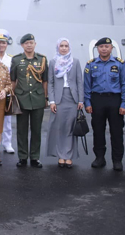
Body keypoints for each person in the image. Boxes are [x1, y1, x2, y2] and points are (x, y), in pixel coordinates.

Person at [83, 37, 125, 171]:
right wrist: (87, 102)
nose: (104, 49)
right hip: (97, 100)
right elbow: (87, 85)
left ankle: (117, 160)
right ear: (97, 49)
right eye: (101, 46)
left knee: (117, 132)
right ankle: (99, 158)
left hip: (114, 100)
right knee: (98, 131)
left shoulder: (120, 64)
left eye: (106, 46)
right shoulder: (91, 65)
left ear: (111, 49)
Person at [11, 33, 48, 168]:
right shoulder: (16, 60)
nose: (29, 45)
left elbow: (45, 81)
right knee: (21, 130)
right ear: (22, 45)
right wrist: (12, 97)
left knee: (36, 129)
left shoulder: (42, 60)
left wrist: (46, 97)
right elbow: (13, 80)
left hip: (38, 98)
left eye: (31, 42)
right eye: (26, 43)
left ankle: (35, 157)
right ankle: (22, 157)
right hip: (21, 99)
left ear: (35, 44)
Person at [46, 38, 83, 168]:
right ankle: (61, 155)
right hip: (59, 98)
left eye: (66, 46)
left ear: (69, 47)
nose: (63, 48)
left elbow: (79, 82)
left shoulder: (75, 61)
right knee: (59, 128)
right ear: (58, 47)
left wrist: (80, 100)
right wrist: (51, 101)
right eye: (61, 46)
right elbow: (50, 82)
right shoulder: (53, 62)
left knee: (70, 128)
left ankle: (69, 155)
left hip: (72, 98)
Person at [0, 29, 15, 154]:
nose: (2, 45)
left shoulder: (11, 59)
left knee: (7, 121)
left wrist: (7, 91)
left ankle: (7, 143)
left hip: (6, 93)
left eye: (4, 43)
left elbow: (13, 78)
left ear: (7, 44)